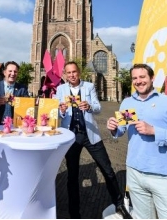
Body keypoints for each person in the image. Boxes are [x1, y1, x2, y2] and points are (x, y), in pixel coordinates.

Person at [107, 63, 167, 219]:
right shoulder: (127, 103)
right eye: (134, 78)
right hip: (134, 172)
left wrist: (154, 131)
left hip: (163, 174)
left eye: (142, 77)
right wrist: (113, 128)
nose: (138, 81)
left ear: (152, 78)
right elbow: (121, 130)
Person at [56, 61, 129, 219]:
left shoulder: (88, 86)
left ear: (79, 72)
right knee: (72, 176)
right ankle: (74, 213)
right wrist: (61, 111)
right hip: (71, 136)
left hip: (90, 134)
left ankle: (119, 204)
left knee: (107, 169)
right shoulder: (60, 89)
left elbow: (98, 107)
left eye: (74, 72)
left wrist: (89, 106)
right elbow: (56, 112)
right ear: (65, 74)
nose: (72, 75)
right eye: (68, 73)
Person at [0, 61, 29, 219]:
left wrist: (20, 104)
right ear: (4, 72)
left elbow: (28, 109)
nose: (13, 74)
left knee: (17, 165)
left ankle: (15, 200)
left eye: (15, 72)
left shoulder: (22, 88)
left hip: (16, 131)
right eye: (10, 71)